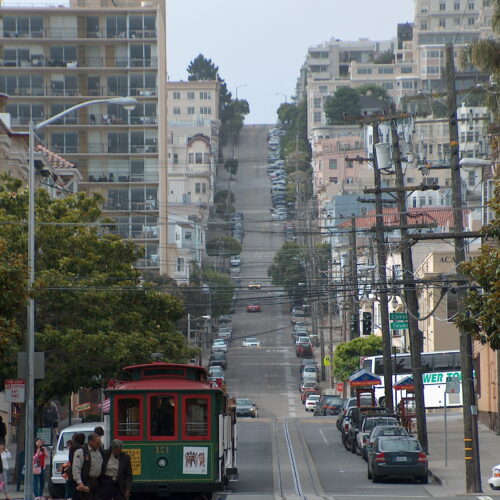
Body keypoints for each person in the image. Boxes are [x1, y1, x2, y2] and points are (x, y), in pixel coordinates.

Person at [72, 433, 104, 500]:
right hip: (86, 481)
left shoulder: (100, 451)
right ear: (91, 442)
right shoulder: (81, 451)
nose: (99, 444)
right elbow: (76, 468)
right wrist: (79, 483)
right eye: (97, 442)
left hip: (96, 482)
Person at [65, 433, 85, 500]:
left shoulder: (72, 447)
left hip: (70, 472)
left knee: (70, 491)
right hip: (76, 473)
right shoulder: (79, 448)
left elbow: (70, 460)